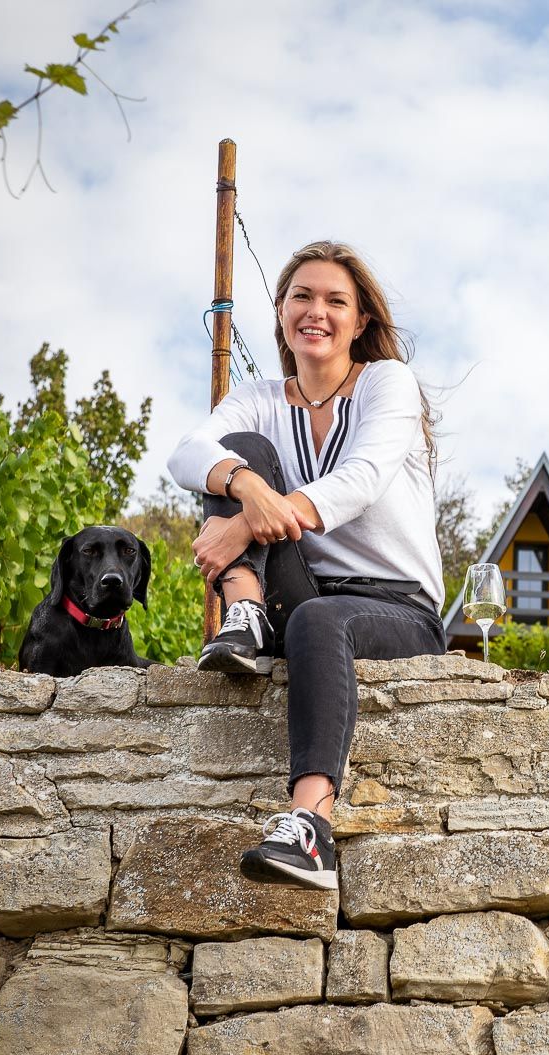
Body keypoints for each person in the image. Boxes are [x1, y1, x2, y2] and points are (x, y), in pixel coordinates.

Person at [167, 240, 445, 891]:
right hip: (300, 594)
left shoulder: (387, 383)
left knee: (319, 619)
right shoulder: (261, 398)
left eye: (335, 300)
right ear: (281, 310)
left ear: (360, 320)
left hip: (396, 607)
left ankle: (312, 828)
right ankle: (245, 611)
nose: (316, 311)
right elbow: (185, 453)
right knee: (236, 449)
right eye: (302, 296)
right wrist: (245, 485)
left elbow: (362, 479)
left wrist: (245, 521)